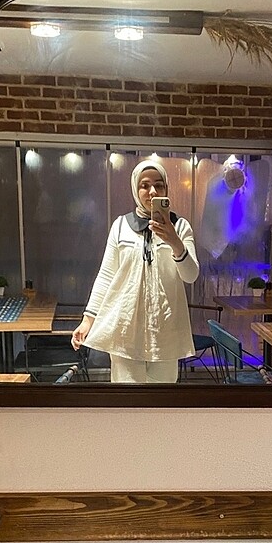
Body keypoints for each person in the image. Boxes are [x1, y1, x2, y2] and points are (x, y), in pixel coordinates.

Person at [71, 159, 199, 383]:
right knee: (127, 399)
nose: (152, 191)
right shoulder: (121, 226)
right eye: (145, 185)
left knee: (162, 400)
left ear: (166, 189)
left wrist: (175, 242)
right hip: (125, 330)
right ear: (135, 189)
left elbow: (191, 275)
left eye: (159, 185)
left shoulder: (180, 227)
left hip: (166, 331)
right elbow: (106, 275)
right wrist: (88, 320)